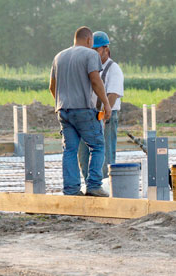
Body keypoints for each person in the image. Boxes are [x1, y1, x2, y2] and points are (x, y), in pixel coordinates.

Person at [49, 26, 111, 196]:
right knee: (97, 146)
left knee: (70, 150)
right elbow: (96, 81)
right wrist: (106, 104)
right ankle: (93, 186)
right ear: (89, 40)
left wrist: (62, 101)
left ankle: (71, 190)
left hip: (63, 110)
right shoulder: (90, 54)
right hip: (83, 109)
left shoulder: (58, 57)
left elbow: (52, 87)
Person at [78, 31, 124, 181]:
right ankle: (89, 184)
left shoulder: (113, 69)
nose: (93, 53)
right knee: (83, 154)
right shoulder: (90, 67)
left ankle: (106, 184)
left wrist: (103, 116)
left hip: (106, 116)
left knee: (105, 154)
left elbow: (113, 94)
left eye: (96, 50)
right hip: (89, 115)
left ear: (106, 49)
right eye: (91, 50)